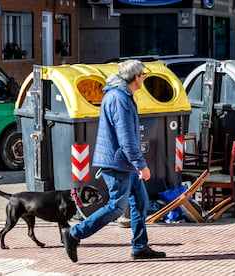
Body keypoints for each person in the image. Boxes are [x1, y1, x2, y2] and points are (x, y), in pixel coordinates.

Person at [61, 59, 166, 262]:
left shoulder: (121, 95)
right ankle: (74, 234)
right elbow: (126, 137)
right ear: (136, 77)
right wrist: (141, 165)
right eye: (143, 75)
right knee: (117, 207)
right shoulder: (120, 99)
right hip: (118, 162)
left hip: (122, 162)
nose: (144, 78)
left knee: (140, 201)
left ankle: (140, 247)